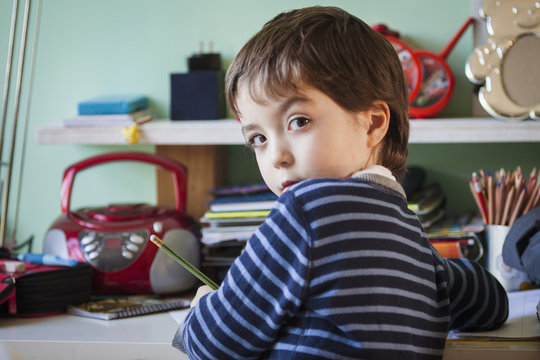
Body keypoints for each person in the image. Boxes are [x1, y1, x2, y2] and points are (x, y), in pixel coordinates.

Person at [176, 6, 508, 359]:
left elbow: (217, 343)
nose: (276, 156)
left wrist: (201, 311)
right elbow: (491, 303)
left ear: (373, 123)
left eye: (299, 121)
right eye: (258, 138)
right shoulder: (412, 236)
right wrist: (446, 274)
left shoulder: (304, 214)